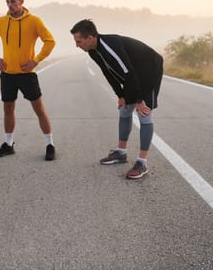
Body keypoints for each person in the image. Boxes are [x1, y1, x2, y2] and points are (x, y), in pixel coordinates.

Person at [70, 19, 163, 179]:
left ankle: (142, 163)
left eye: (79, 41)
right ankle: (121, 153)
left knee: (144, 114)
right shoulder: (93, 51)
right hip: (132, 73)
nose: (77, 45)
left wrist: (140, 100)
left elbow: (128, 73)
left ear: (90, 38)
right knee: (125, 110)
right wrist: (120, 95)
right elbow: (108, 72)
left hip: (149, 71)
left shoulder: (109, 47)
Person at [0, 0, 57, 161]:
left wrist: (37, 59)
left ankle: (50, 144)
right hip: (8, 74)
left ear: (22, 1)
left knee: (39, 109)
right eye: (8, 2)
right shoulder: (1, 21)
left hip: (27, 74)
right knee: (8, 109)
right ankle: (8, 144)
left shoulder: (34, 21)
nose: (10, 5)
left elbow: (50, 41)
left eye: (13, 2)